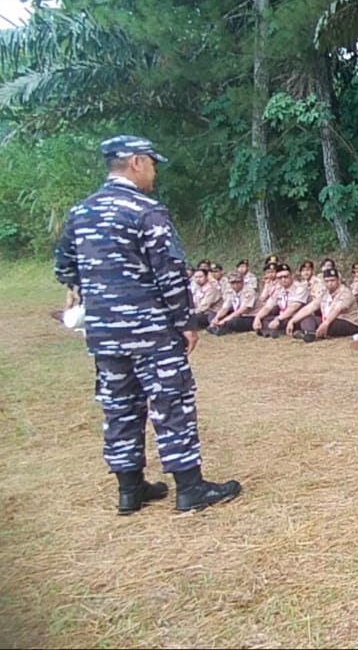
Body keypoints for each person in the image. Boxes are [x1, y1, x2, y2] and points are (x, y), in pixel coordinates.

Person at [53, 134, 240, 514]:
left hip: (104, 333)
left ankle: (130, 490)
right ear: (136, 162)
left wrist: (99, 294)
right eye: (152, 163)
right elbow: (169, 273)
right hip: (151, 331)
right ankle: (190, 488)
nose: (154, 172)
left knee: (119, 406)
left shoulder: (81, 213)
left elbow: (64, 268)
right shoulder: (145, 211)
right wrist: (185, 321)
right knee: (171, 402)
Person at [290, 268, 358, 342]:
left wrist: (326, 323)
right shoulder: (325, 293)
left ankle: (309, 333)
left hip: (347, 321)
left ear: (338, 281)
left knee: (332, 324)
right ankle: (310, 333)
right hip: (327, 319)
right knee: (306, 318)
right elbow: (311, 307)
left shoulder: (346, 293)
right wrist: (292, 320)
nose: (330, 283)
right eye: (327, 281)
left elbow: (337, 309)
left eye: (332, 280)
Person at [252, 263, 310, 338]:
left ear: (292, 276)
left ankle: (273, 331)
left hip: (295, 317)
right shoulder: (278, 289)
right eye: (280, 278)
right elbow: (268, 306)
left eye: (286, 277)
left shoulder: (300, 288)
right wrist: (257, 317)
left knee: (303, 321)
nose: (283, 279)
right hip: (282, 317)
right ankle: (276, 331)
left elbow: (294, 307)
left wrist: (278, 319)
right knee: (264, 319)